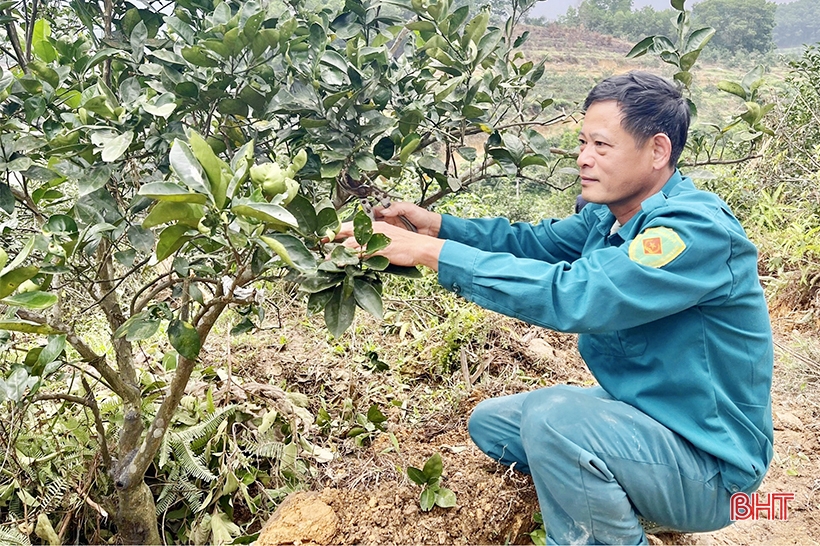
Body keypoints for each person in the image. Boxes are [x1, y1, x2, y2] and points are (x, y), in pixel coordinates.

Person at [338, 71, 773, 545]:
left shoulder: (693, 231)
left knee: (553, 419)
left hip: (715, 470)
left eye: (601, 146)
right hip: (652, 423)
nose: (583, 158)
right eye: (582, 142)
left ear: (657, 151)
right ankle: (633, 504)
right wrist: (437, 228)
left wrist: (427, 254)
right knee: (496, 424)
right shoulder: (609, 216)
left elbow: (578, 296)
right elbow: (536, 244)